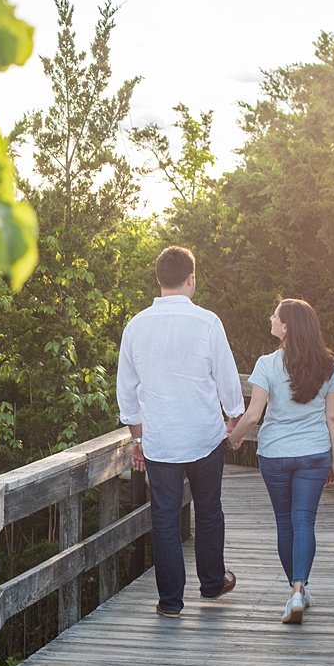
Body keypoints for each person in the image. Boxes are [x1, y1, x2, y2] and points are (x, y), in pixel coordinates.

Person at [117, 246, 245, 618]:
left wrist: (137, 438)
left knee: (164, 519)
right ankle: (212, 583)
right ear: (191, 278)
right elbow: (225, 376)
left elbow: (127, 390)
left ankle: (171, 602)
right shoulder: (207, 323)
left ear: (159, 280)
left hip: (160, 441)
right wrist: (234, 416)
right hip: (205, 436)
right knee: (209, 511)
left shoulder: (136, 326)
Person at [228, 299, 334, 624]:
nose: (271, 318)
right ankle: (298, 590)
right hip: (314, 453)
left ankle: (295, 593)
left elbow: (253, 416)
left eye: (275, 316)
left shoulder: (267, 364)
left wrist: (232, 439)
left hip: (275, 454)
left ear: (287, 326)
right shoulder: (329, 367)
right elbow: (332, 416)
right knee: (304, 520)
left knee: (284, 521)